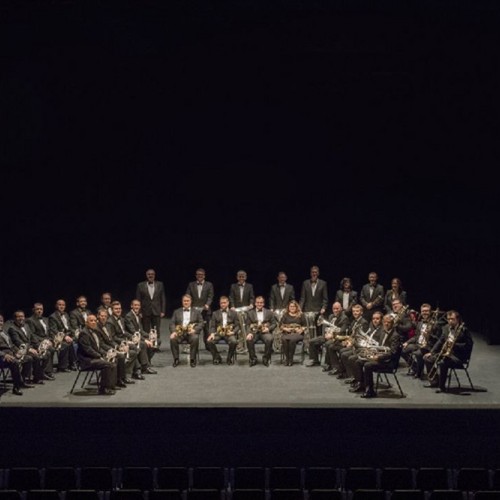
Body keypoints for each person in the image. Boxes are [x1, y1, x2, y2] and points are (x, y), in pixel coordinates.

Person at [423, 310, 473, 393]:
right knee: (427, 358)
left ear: (458, 319)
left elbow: (468, 346)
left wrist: (454, 344)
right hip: (446, 355)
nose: (450, 321)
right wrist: (431, 352)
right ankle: (435, 381)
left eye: (452, 319)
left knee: (443, 362)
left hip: (458, 357)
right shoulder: (446, 328)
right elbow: (440, 341)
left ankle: (441, 387)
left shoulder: (463, 330)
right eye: (448, 319)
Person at [360, 314, 402, 398]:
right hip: (381, 358)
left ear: (392, 324)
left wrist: (378, 357)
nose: (386, 324)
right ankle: (362, 385)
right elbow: (380, 347)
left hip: (389, 362)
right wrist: (372, 352)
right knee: (359, 361)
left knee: (367, 365)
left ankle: (370, 391)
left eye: (388, 322)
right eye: (385, 322)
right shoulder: (383, 332)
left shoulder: (395, 335)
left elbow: (392, 353)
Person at [76, 314, 117, 395]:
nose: (94, 322)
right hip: (86, 360)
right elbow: (88, 350)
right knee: (108, 364)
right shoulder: (84, 333)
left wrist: (106, 353)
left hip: (94, 357)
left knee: (114, 359)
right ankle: (103, 389)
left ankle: (111, 385)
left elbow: (98, 347)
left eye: (95, 320)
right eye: (91, 321)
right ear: (86, 323)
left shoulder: (95, 331)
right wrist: (100, 356)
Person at [343, 310, 383, 392]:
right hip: (369, 350)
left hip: (375, 352)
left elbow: (380, 345)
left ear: (381, 320)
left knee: (355, 359)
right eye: (373, 318)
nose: (375, 320)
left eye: (377, 319)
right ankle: (358, 380)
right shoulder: (372, 327)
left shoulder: (382, 330)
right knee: (352, 358)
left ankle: (361, 383)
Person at [327, 303, 368, 377]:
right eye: (354, 311)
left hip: (357, 346)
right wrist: (346, 341)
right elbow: (349, 334)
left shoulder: (364, 322)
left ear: (361, 312)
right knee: (331, 346)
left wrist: (351, 343)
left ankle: (348, 374)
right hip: (350, 342)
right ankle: (338, 368)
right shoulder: (353, 321)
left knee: (342, 352)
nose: (355, 313)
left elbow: (362, 338)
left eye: (357, 311)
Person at [106, 300, 145, 380]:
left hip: (124, 340)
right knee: (134, 349)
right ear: (112, 310)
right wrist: (126, 342)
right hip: (118, 343)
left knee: (138, 344)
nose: (118, 310)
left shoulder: (121, 319)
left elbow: (124, 333)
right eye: (116, 309)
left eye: (119, 308)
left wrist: (132, 338)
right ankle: (134, 371)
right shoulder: (110, 322)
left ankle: (136, 370)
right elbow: (113, 337)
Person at [7, 310, 48, 384]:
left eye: (22, 316)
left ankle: (38, 376)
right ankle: (23, 379)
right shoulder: (12, 328)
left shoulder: (26, 325)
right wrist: (29, 349)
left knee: (45, 354)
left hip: (30, 347)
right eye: (19, 317)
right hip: (20, 350)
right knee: (34, 357)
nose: (21, 318)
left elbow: (32, 337)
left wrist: (40, 345)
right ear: (14, 318)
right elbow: (18, 342)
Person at [402, 303, 441, 378]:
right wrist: (407, 342)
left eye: (427, 311)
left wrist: (429, 335)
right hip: (418, 344)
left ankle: (419, 373)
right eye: (423, 311)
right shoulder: (420, 323)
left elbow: (438, 339)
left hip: (428, 346)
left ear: (430, 312)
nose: (425, 313)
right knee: (403, 350)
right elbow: (416, 336)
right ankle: (416, 368)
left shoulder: (435, 324)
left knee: (418, 353)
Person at [306, 301, 350, 369]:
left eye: (337, 308)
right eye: (334, 308)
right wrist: (326, 334)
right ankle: (315, 360)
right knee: (312, 341)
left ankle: (328, 364)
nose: (335, 310)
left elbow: (342, 331)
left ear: (341, 308)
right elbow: (327, 328)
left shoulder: (344, 318)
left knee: (328, 344)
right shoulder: (331, 316)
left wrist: (332, 335)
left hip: (337, 338)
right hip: (328, 336)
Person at [95, 308, 132, 386]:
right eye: (102, 316)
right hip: (103, 350)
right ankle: (118, 380)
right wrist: (112, 350)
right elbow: (101, 344)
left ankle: (121, 378)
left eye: (105, 316)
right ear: (98, 316)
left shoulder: (107, 326)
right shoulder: (96, 328)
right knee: (121, 356)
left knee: (124, 353)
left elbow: (111, 340)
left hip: (110, 347)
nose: (103, 317)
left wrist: (118, 347)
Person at [0, 314, 34, 395]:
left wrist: (18, 351)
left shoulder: (4, 331)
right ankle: (16, 387)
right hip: (1, 357)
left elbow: (11, 345)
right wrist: (4, 355)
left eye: (1, 321)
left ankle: (21, 380)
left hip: (11, 353)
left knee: (28, 358)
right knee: (14, 362)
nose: (0, 323)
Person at [299, 265, 328, 350]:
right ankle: (307, 347)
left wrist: (324, 308)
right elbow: (302, 298)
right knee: (307, 330)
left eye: (315, 272)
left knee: (318, 330)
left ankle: (318, 347)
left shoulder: (323, 283)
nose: (314, 274)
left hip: (318, 311)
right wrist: (300, 309)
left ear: (318, 273)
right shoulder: (305, 283)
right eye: (312, 272)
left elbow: (325, 298)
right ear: (310, 273)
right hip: (307, 310)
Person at [169, 294, 203, 367]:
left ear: (191, 302)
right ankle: (176, 359)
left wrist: (195, 330)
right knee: (173, 339)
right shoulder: (176, 312)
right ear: (182, 302)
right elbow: (172, 323)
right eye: (184, 301)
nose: (186, 302)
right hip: (179, 333)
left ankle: (192, 359)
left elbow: (201, 323)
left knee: (195, 338)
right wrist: (173, 332)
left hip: (191, 333)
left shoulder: (196, 312)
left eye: (187, 301)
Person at [124, 299, 158, 372]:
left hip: (138, 336)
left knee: (156, 340)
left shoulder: (138, 316)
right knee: (144, 344)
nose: (137, 307)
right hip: (131, 337)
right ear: (131, 306)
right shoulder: (128, 316)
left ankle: (146, 361)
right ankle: (145, 366)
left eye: (138, 305)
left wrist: (149, 335)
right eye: (135, 305)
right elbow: (133, 332)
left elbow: (140, 330)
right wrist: (145, 340)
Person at [185, 268, 214, 349]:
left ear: (204, 276)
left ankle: (208, 346)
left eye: (201, 275)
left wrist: (207, 305)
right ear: (196, 275)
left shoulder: (209, 284)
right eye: (198, 275)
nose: (200, 276)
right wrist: (189, 305)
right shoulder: (191, 284)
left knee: (206, 330)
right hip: (194, 311)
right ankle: (192, 345)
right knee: (192, 328)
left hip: (205, 311)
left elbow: (210, 296)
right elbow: (188, 295)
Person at [206, 296, 240, 365]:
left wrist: (233, 332)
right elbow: (212, 326)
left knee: (234, 341)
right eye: (221, 303)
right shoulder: (215, 313)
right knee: (209, 341)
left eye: (224, 303)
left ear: (228, 303)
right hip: (218, 333)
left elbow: (237, 326)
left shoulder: (234, 313)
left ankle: (229, 358)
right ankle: (217, 357)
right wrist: (212, 334)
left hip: (229, 333)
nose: (223, 304)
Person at [26, 302, 56, 380]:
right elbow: (32, 334)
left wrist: (50, 340)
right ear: (33, 310)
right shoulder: (30, 320)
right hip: (36, 343)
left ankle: (45, 371)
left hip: (46, 341)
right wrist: (44, 342)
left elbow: (49, 332)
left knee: (52, 348)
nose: (39, 311)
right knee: (49, 350)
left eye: (41, 309)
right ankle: (45, 372)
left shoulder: (45, 319)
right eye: (37, 309)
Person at [245, 295, 276, 367]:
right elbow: (247, 325)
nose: (259, 304)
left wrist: (268, 329)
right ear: (255, 303)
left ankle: (266, 358)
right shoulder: (250, 313)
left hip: (265, 332)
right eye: (258, 302)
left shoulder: (269, 312)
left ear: (263, 304)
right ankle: (253, 359)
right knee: (249, 340)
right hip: (254, 332)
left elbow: (274, 324)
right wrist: (249, 333)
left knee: (270, 339)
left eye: (261, 303)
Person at [229, 270, 255, 353]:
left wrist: (251, 304)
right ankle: (238, 345)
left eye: (243, 276)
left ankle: (246, 345)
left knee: (245, 327)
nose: (241, 278)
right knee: (237, 328)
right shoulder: (233, 286)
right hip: (236, 311)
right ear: (237, 277)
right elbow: (231, 297)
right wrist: (232, 306)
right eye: (239, 276)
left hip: (246, 311)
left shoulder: (249, 286)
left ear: (245, 277)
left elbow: (252, 297)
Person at [48, 299, 78, 372]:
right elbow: (54, 330)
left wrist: (74, 334)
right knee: (66, 344)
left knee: (78, 340)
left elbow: (69, 327)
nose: (62, 306)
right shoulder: (53, 316)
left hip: (67, 335)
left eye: (63, 305)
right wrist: (65, 337)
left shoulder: (66, 314)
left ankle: (74, 363)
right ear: (56, 306)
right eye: (60, 305)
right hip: (57, 337)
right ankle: (63, 366)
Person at [135, 268, 166, 335]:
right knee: (146, 330)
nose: (150, 276)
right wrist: (139, 311)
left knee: (156, 330)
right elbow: (138, 299)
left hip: (156, 311)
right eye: (149, 274)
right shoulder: (140, 285)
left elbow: (162, 298)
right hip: (145, 311)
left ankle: (156, 344)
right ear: (146, 275)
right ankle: (147, 345)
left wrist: (163, 311)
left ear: (154, 275)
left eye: (152, 274)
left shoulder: (160, 284)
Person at [279, 300, 307, 366]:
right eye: (291, 306)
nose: (292, 308)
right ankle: (287, 358)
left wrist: (301, 330)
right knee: (284, 339)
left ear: (296, 307)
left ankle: (290, 359)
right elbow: (280, 325)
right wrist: (286, 328)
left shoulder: (301, 315)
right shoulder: (285, 315)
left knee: (292, 340)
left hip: (298, 334)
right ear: (288, 307)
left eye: (294, 306)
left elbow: (305, 326)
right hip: (287, 333)